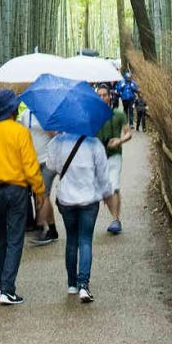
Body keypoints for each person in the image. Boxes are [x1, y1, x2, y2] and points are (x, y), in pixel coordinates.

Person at [0, 89, 45, 305]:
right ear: (12, 109)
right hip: (16, 191)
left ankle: (0, 284)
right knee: (15, 239)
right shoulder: (20, 132)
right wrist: (39, 191)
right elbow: (31, 167)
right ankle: (8, 288)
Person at [43, 129, 111, 303]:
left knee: (71, 240)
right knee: (85, 240)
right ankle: (83, 285)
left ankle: (72, 284)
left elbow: (51, 166)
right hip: (89, 199)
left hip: (66, 199)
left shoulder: (58, 142)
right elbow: (103, 173)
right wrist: (106, 193)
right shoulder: (95, 144)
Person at [18, 105, 59, 245]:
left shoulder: (48, 112)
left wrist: (50, 130)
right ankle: (52, 229)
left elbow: (58, 134)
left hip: (48, 160)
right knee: (41, 195)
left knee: (43, 194)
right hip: (32, 162)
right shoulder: (25, 115)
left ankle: (41, 228)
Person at [95, 83, 132, 234]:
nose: (102, 97)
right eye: (99, 95)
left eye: (104, 95)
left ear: (109, 96)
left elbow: (128, 133)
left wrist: (119, 140)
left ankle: (116, 220)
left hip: (115, 154)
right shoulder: (93, 116)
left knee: (114, 185)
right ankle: (115, 218)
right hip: (99, 157)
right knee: (105, 191)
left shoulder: (118, 114)